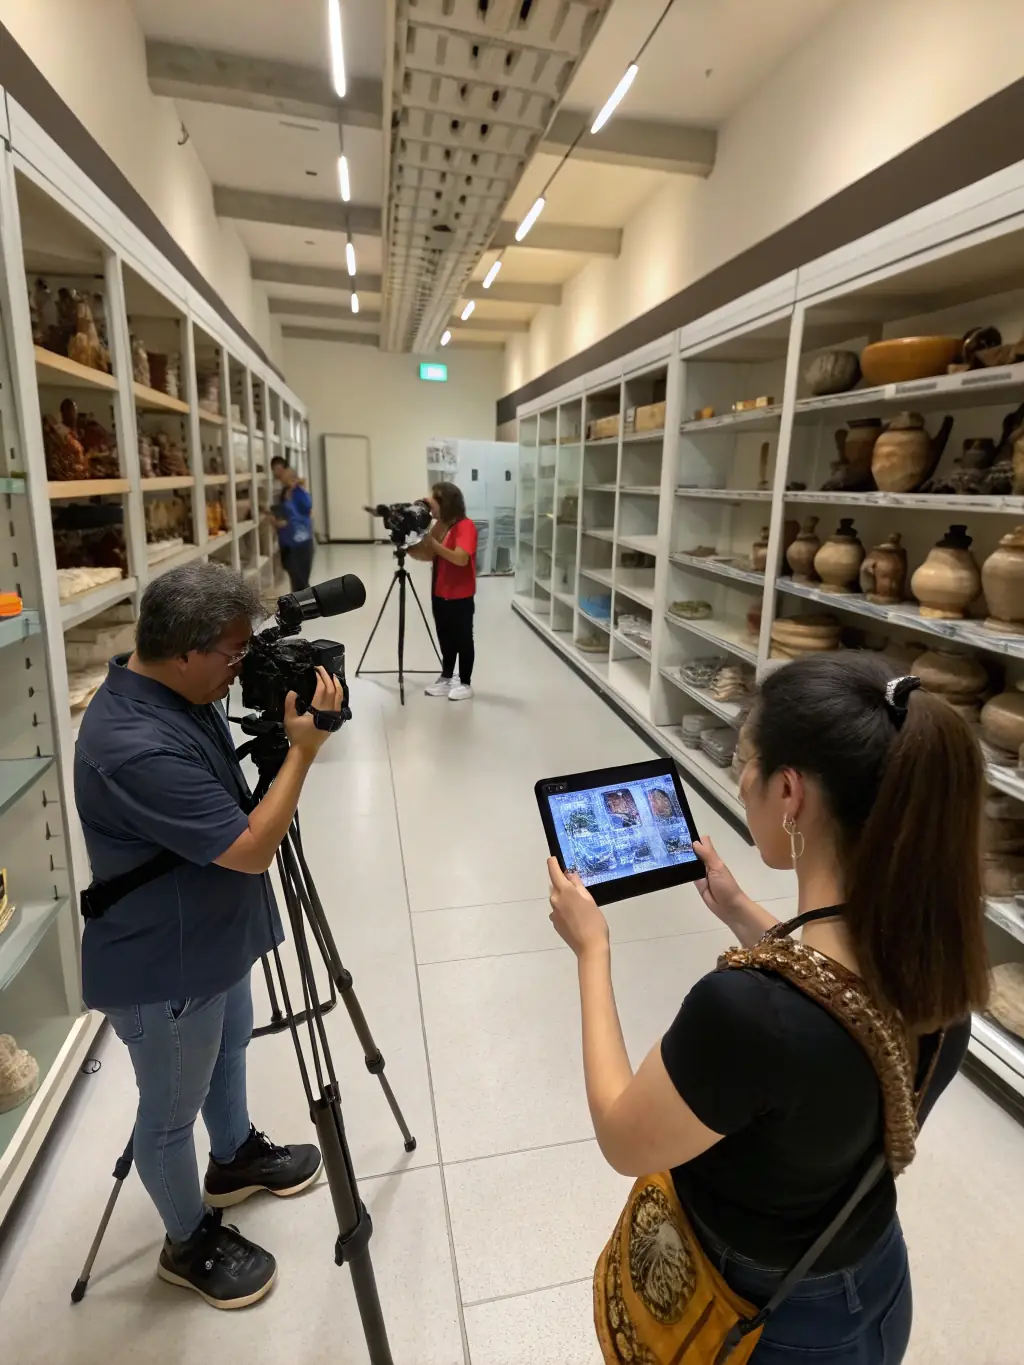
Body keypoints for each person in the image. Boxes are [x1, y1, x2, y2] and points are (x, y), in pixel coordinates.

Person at [546, 654, 989, 1363]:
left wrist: (592, 950)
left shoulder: (746, 1014)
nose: (739, 775)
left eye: (745, 759)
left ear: (790, 791)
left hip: (760, 1321)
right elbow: (841, 1010)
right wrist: (739, 908)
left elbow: (623, 1138)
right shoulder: (939, 968)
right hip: (872, 1284)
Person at [75, 562, 345, 1310]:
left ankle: (233, 1157)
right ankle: (186, 1239)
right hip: (165, 959)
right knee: (168, 1113)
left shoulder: (176, 690)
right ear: (183, 649)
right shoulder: (131, 740)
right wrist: (303, 748)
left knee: (229, 1047)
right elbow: (253, 846)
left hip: (213, 931)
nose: (241, 667)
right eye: (232, 653)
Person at [408, 480, 478, 701]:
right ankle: (446, 677)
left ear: (446, 502)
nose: (431, 505)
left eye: (435, 500)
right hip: (440, 591)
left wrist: (433, 544)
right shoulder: (440, 526)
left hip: (460, 595)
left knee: (463, 638)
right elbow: (428, 554)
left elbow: (460, 558)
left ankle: (465, 683)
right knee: (445, 636)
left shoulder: (466, 526)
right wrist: (409, 542)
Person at [269, 455, 314, 591]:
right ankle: (302, 607)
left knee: (301, 582)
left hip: (302, 544)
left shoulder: (300, 494)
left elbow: (306, 509)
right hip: (289, 545)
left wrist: (298, 488)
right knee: (297, 583)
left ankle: (304, 608)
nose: (280, 475)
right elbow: (282, 519)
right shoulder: (283, 494)